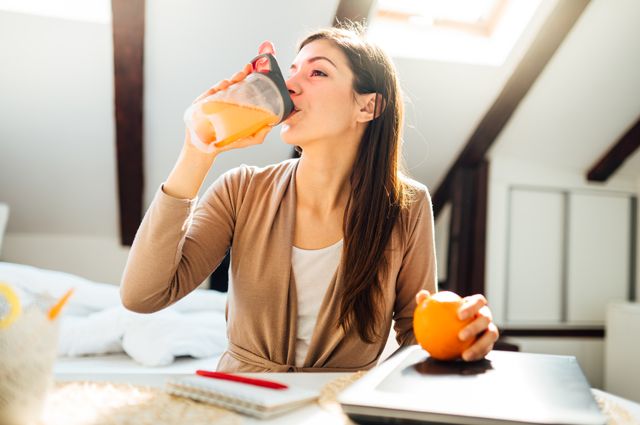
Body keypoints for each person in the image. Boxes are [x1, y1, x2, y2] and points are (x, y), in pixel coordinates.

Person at [120, 25, 499, 372]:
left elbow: (417, 334)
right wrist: (197, 151)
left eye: (317, 72)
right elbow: (142, 296)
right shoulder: (240, 190)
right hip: (243, 402)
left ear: (368, 106)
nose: (290, 86)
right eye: (292, 71)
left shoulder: (406, 206)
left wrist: (464, 338)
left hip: (335, 408)